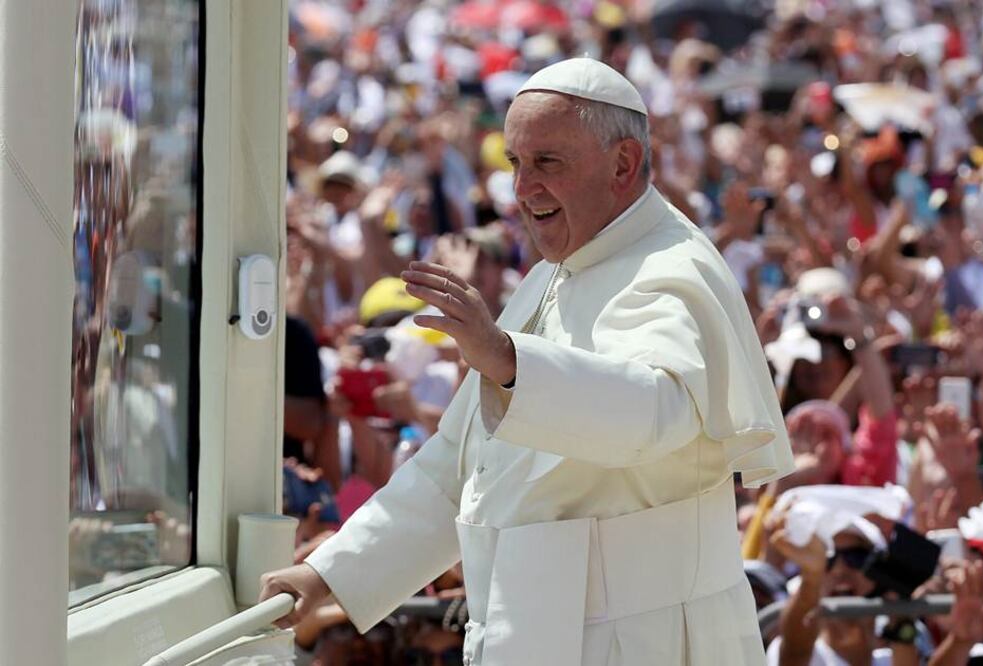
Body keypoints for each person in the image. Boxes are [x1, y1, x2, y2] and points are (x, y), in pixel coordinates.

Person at [260, 57, 793, 666]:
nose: (521, 188)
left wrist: (509, 361)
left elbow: (653, 410)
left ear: (622, 164)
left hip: (646, 644)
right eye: (515, 162)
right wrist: (329, 572)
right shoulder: (550, 276)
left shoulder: (673, 269)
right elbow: (457, 470)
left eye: (547, 162)